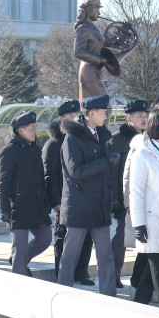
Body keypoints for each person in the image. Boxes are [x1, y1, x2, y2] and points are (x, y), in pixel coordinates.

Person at [57, 94, 119, 295]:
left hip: (99, 205)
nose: (106, 116)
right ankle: (62, 293)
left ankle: (109, 296)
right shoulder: (72, 137)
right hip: (79, 206)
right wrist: (105, 162)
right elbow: (75, 171)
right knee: (70, 254)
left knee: (106, 254)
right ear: (91, 114)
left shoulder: (102, 135)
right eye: (103, 112)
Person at [124, 108, 159, 310]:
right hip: (152, 219)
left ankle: (139, 306)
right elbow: (136, 190)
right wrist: (138, 223)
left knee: (151, 273)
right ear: (158, 127)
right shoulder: (143, 154)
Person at [43, 100, 94, 282]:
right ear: (61, 119)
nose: (75, 120)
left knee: (87, 237)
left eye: (76, 116)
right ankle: (62, 273)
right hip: (64, 201)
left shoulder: (84, 139)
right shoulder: (53, 144)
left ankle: (81, 272)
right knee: (62, 238)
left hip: (84, 198)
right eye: (70, 117)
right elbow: (50, 175)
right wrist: (56, 201)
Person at [0, 111, 53, 276]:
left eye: (35, 128)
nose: (35, 132)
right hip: (17, 208)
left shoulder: (35, 149)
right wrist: (5, 210)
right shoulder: (9, 151)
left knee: (45, 239)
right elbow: (3, 184)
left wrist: (45, 203)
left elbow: (40, 179)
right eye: (31, 128)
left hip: (36, 207)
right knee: (19, 251)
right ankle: (18, 283)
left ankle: (18, 260)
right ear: (20, 130)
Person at [107, 99, 148, 289]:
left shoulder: (146, 138)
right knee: (121, 237)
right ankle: (113, 273)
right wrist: (116, 200)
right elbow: (113, 173)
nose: (144, 118)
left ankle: (136, 275)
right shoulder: (117, 139)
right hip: (124, 197)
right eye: (140, 116)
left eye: (146, 115)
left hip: (142, 195)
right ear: (129, 118)